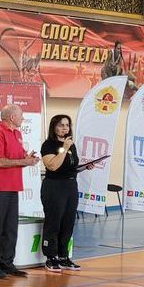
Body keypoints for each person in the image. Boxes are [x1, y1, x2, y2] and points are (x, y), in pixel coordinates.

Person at [0, 104, 39, 279]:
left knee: (10, 227)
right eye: (21, 115)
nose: (23, 118)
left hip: (13, 185)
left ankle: (7, 263)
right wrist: (24, 162)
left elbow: (18, 157)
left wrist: (28, 158)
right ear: (12, 117)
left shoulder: (17, 133)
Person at [40, 114, 89, 273]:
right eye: (61, 125)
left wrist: (84, 167)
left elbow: (70, 166)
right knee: (54, 222)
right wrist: (65, 148)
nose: (65, 128)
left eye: (67, 125)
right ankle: (50, 257)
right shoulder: (48, 145)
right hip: (54, 186)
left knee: (68, 222)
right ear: (54, 127)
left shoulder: (71, 145)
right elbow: (53, 166)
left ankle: (63, 256)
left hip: (70, 186)